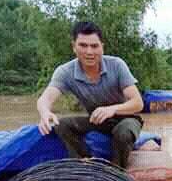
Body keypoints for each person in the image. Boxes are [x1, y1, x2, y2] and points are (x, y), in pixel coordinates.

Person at [37, 21, 144, 168]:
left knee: (123, 132)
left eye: (94, 46)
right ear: (74, 47)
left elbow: (138, 103)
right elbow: (45, 98)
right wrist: (45, 113)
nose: (89, 52)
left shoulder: (117, 65)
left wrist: (112, 109)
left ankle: (117, 171)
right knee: (61, 125)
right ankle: (85, 163)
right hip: (96, 120)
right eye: (83, 45)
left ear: (102, 47)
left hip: (126, 118)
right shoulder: (65, 71)